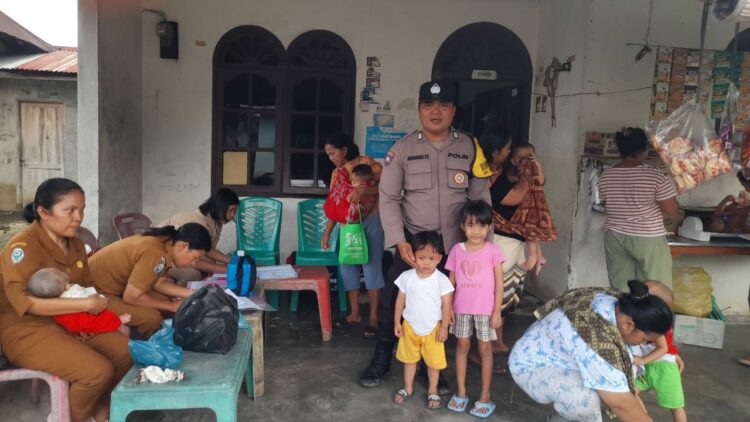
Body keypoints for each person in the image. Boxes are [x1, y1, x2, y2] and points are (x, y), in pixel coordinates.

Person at [359, 80, 493, 391]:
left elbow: (481, 199)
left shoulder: (470, 147)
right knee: (397, 300)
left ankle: (431, 365)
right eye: (429, 106)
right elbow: (388, 198)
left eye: (443, 105)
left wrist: (482, 246)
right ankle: (382, 357)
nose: (436, 111)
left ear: (453, 111)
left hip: (456, 249)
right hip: (414, 246)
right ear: (420, 110)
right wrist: (399, 241)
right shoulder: (402, 149)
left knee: (444, 307)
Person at [0, 178, 131, 422]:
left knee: (126, 353)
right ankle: (74, 417)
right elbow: (28, 304)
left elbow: (85, 287)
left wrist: (89, 310)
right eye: (70, 210)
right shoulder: (22, 247)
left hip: (73, 321)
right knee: (95, 371)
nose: (78, 217)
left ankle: (99, 410)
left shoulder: (77, 245)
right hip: (28, 329)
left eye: (81, 210)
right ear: (43, 212)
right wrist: (84, 306)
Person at [509, 280, 674, 422]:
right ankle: (562, 416)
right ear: (628, 325)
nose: (644, 345)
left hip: (552, 349)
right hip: (531, 365)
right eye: (645, 340)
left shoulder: (616, 301)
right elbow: (621, 403)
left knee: (622, 371)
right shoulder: (598, 342)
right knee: (585, 399)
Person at [90, 223, 211, 339]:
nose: (194, 264)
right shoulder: (156, 253)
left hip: (117, 288)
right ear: (184, 246)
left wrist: (195, 293)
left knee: (164, 302)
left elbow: (159, 284)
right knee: (151, 318)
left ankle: (163, 338)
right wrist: (171, 306)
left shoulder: (165, 244)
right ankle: (152, 351)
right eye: (195, 258)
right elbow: (131, 297)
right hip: (94, 292)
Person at [479, 124, 534, 367]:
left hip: (510, 241)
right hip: (501, 240)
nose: (510, 154)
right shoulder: (488, 174)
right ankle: (486, 344)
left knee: (504, 292)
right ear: (494, 152)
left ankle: (496, 341)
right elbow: (516, 197)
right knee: (498, 293)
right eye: (508, 149)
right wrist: (526, 176)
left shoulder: (497, 172)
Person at [598, 127, 680, 290]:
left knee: (622, 288)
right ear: (644, 149)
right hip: (647, 237)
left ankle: (625, 315)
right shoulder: (655, 175)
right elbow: (672, 210)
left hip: (615, 237)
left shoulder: (606, 175)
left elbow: (608, 205)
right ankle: (652, 316)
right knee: (656, 289)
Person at [321, 132, 384, 338]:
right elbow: (335, 204)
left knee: (372, 266)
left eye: (333, 153)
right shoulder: (336, 175)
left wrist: (364, 191)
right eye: (328, 155)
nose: (331, 158)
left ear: (345, 150)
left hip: (371, 220)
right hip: (347, 224)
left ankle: (373, 318)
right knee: (347, 266)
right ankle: (354, 314)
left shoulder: (367, 164)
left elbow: (384, 190)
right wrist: (328, 231)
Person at [445, 200, 505, 418]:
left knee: (485, 350)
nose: (476, 231)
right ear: (463, 226)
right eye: (471, 225)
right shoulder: (456, 250)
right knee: (461, 346)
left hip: (486, 311)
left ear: (489, 227)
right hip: (461, 309)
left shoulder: (493, 251)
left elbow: (500, 283)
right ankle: (461, 392)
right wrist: (448, 309)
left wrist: (497, 311)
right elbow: (450, 284)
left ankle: (485, 396)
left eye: (481, 226)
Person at [391, 231, 454, 409]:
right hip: (409, 327)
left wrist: (444, 327)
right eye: (421, 257)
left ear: (439, 258)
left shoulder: (441, 280)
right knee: (409, 360)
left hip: (433, 329)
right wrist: (397, 322)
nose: (426, 262)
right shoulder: (407, 277)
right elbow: (400, 300)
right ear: (413, 257)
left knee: (434, 364)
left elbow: (446, 305)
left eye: (431, 258)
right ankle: (408, 387)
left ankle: (433, 390)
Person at [496, 143, 556, 275]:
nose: (524, 161)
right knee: (531, 230)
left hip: (531, 211)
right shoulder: (509, 174)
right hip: (523, 216)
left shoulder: (534, 170)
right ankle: (538, 256)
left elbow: (539, 182)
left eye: (528, 158)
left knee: (531, 229)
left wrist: (537, 168)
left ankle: (535, 255)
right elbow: (511, 181)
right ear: (512, 161)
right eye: (520, 158)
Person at [157, 188, 240, 283]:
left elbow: (208, 250)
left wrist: (231, 261)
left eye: (235, 211)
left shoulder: (217, 222)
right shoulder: (198, 222)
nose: (233, 215)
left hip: (177, 255)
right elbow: (192, 260)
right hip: (161, 256)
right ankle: (179, 294)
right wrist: (227, 270)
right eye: (231, 210)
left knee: (210, 267)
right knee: (193, 274)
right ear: (219, 207)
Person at [27, 267, 132, 335]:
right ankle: (117, 323)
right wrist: (116, 321)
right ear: (66, 288)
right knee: (106, 321)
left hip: (73, 324)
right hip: (86, 324)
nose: (70, 284)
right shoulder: (73, 295)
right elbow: (93, 306)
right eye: (67, 283)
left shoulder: (52, 304)